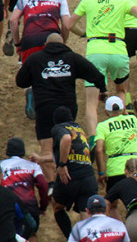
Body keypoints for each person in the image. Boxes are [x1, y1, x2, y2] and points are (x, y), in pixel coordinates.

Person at [69, 0, 137, 139]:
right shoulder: (122, 0)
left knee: (91, 103)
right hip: (119, 50)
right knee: (121, 90)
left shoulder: (89, 0)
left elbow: (69, 24)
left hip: (96, 50)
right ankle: (120, 130)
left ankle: (93, 140)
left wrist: (83, 33)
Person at [15, 44, 105, 184]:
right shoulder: (71, 58)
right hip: (67, 110)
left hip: (45, 108)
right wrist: (103, 89)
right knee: (67, 141)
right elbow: (96, 74)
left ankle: (52, 184)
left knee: (46, 147)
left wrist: (36, 79)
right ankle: (69, 177)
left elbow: (20, 81)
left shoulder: (35, 59)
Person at [0, 137, 50, 242]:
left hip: (8, 205)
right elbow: (43, 185)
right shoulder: (33, 165)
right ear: (22, 151)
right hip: (29, 206)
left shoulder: (0, 165)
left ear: (8, 151)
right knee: (32, 234)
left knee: (13, 240)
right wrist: (43, 206)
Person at [8, 0, 72, 84]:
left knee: (30, 75)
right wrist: (62, 42)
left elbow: (13, 20)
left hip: (30, 40)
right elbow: (66, 25)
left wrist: (17, 43)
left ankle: (30, 97)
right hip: (51, 40)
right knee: (51, 75)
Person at [49, 106, 100, 242]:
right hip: (88, 176)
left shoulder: (59, 128)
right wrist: (41, 159)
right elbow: (68, 151)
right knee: (86, 211)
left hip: (70, 176)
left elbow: (66, 139)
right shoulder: (79, 129)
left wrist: (62, 165)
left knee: (57, 206)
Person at [94, 96, 137, 192]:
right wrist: (127, 115)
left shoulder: (102, 126)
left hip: (115, 168)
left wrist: (101, 172)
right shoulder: (132, 119)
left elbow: (99, 149)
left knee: (112, 204)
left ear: (106, 112)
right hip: (135, 166)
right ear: (123, 109)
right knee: (136, 198)